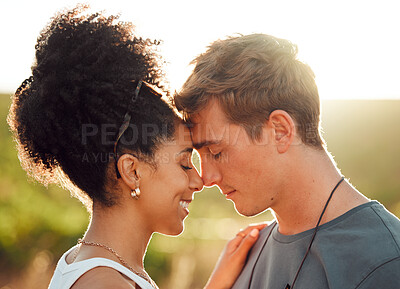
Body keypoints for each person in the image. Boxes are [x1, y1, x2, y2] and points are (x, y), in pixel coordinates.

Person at [7, 6, 266, 289]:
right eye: (184, 163)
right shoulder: (105, 284)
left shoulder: (93, 266)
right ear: (132, 171)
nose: (199, 180)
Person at [174, 33, 400, 288]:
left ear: (280, 131)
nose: (206, 178)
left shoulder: (385, 263)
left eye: (216, 152)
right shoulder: (242, 257)